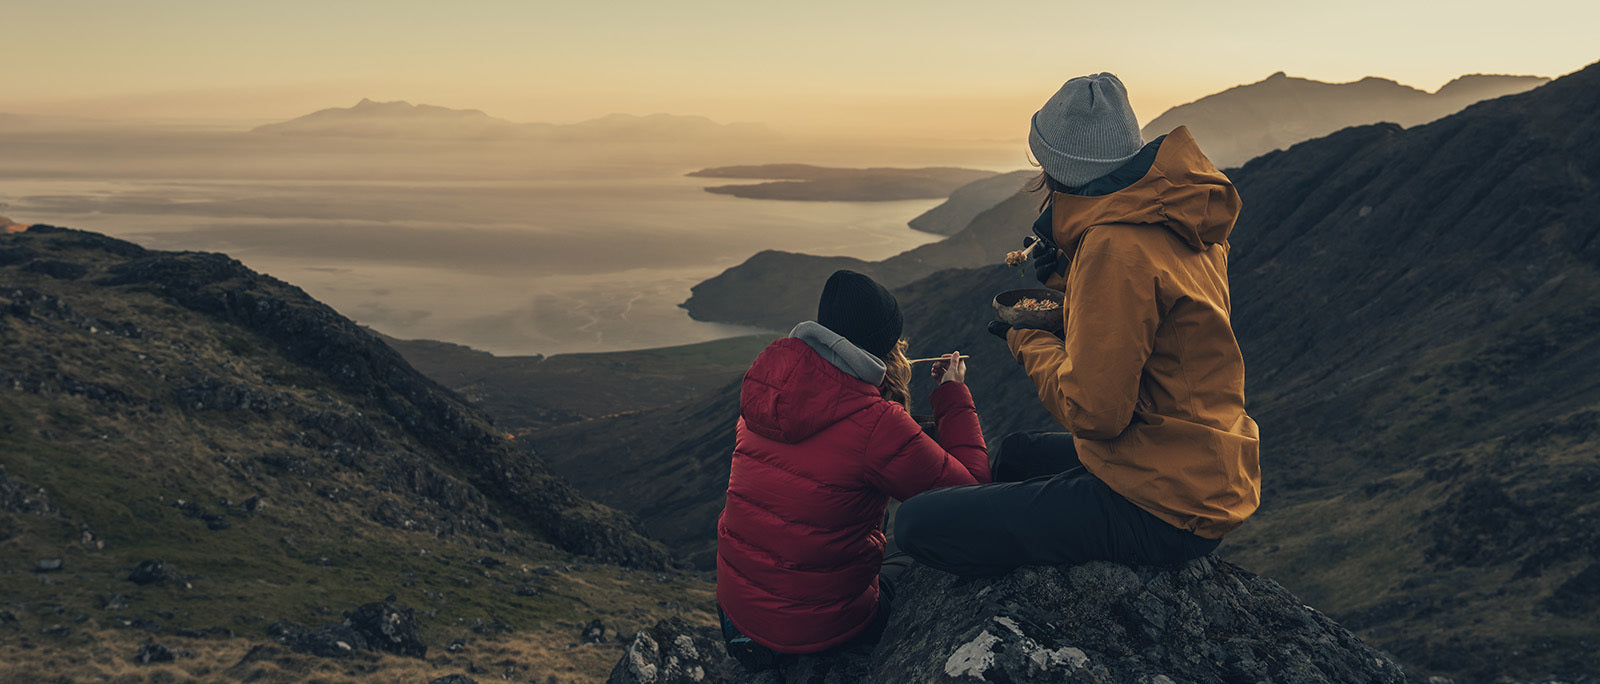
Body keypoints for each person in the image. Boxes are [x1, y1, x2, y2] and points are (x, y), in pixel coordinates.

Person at [893, 72, 1261, 576]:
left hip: (1162, 505)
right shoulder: (1177, 215)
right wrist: (1070, 282)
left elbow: (1095, 413)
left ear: (1057, 166)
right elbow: (1149, 326)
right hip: (1199, 464)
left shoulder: (1115, 245)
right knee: (1018, 454)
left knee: (917, 525)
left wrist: (1026, 337)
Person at [716, 269, 989, 667]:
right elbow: (973, 497)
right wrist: (953, 393)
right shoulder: (878, 423)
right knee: (914, 561)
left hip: (736, 624)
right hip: (818, 634)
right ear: (884, 346)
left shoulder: (768, 394)